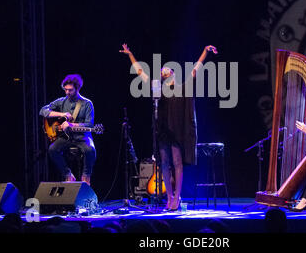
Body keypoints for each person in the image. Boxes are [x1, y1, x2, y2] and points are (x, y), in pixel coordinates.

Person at [120, 43, 217, 211]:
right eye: (162, 70)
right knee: (164, 162)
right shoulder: (158, 88)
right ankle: (169, 196)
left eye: (167, 69)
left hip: (177, 129)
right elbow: (140, 73)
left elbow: (195, 69)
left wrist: (204, 52)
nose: (164, 70)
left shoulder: (181, 87)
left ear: (173, 74)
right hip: (162, 128)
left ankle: (177, 196)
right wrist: (130, 54)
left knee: (177, 162)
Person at [39, 74, 96, 185]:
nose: (67, 93)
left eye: (70, 90)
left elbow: (89, 124)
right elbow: (43, 110)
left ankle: (86, 177)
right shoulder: (61, 101)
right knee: (52, 149)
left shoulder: (87, 104)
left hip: (82, 137)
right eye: (65, 90)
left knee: (90, 150)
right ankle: (68, 174)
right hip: (66, 137)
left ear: (77, 88)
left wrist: (72, 125)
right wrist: (62, 113)